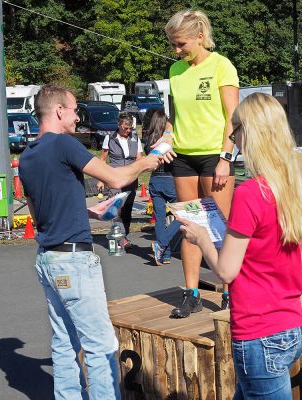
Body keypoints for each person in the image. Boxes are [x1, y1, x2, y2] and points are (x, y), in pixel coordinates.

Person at [19, 84, 166, 399]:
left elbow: (37, 210)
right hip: (73, 260)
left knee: (64, 344)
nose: (77, 118)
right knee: (101, 345)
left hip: (48, 257)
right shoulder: (64, 145)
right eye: (73, 111)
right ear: (59, 111)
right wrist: (147, 161)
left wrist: (87, 210)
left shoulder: (29, 155)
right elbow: (115, 178)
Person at [178, 92, 302, 399]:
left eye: (236, 131)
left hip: (259, 333)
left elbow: (226, 271)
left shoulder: (251, 193)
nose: (234, 139)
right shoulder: (301, 186)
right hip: (293, 326)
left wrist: (202, 237)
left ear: (250, 133)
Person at [161, 9, 239, 316]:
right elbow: (175, 117)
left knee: (222, 228)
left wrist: (225, 158)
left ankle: (231, 292)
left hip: (213, 156)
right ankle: (192, 293)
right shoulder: (176, 71)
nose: (176, 50)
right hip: (183, 157)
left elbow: (234, 118)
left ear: (200, 36)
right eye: (173, 45)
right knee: (189, 226)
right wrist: (166, 139)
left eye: (181, 44)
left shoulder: (222, 66)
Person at [97, 112, 144, 249]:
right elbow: (102, 160)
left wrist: (139, 170)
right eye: (125, 128)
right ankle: (121, 238)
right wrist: (101, 179)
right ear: (119, 125)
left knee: (127, 209)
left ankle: (124, 235)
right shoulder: (110, 138)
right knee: (116, 208)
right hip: (114, 177)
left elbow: (139, 158)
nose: (128, 131)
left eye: (130, 128)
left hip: (130, 178)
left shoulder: (135, 138)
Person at [145, 109, 181, 265]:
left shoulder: (149, 139)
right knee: (183, 215)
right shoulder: (169, 140)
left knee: (159, 219)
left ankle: (164, 255)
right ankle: (163, 243)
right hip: (169, 179)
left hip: (154, 180)